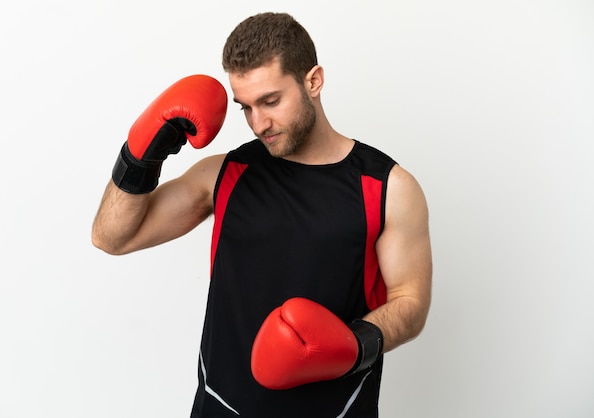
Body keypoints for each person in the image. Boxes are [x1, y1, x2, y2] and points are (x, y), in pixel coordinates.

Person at [92, 12, 432, 418]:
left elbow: (410, 303)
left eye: (271, 101)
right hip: (220, 407)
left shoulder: (387, 187)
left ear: (313, 81)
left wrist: (354, 343)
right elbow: (112, 238)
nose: (259, 123)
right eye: (246, 107)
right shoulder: (225, 173)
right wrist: (139, 155)